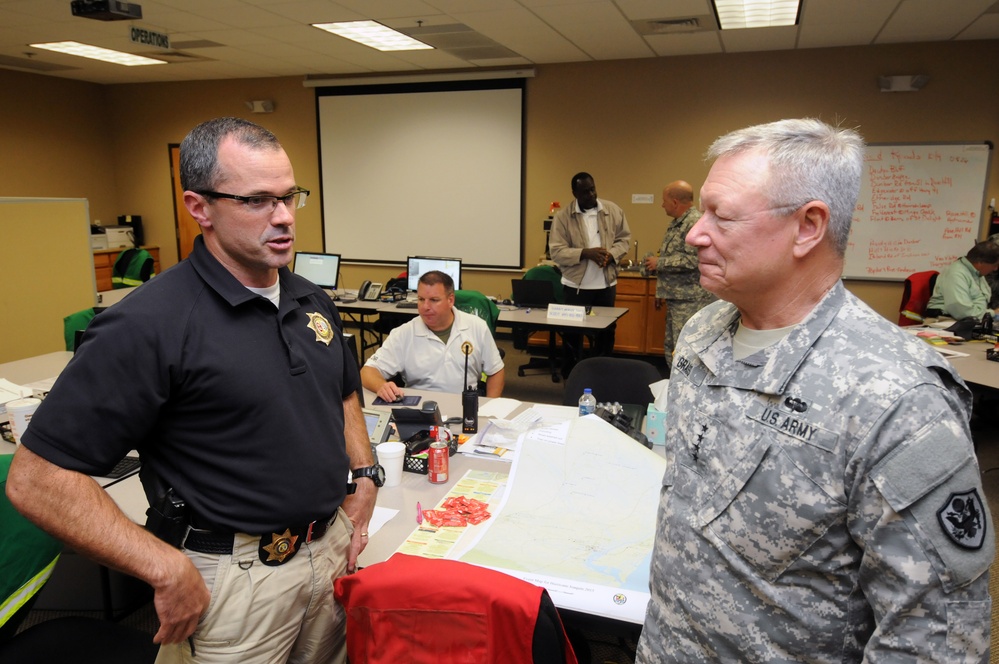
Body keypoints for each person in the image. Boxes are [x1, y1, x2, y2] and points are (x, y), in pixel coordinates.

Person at [6, 117, 379, 663]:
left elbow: (345, 391)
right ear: (199, 207)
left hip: (328, 552)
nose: (283, 218)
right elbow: (36, 479)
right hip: (235, 579)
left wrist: (365, 473)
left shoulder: (309, 298)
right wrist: (163, 565)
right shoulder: (148, 324)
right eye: (256, 202)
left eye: (289, 197)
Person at [636, 118, 993, 663]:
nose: (694, 234)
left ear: (807, 227)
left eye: (722, 216)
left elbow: (936, 637)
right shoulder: (702, 332)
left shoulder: (896, 397)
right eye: (700, 210)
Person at [361, 270, 505, 402]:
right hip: (420, 409)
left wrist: (489, 407)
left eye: (434, 300)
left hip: (465, 406)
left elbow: (496, 370)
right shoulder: (403, 333)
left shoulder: (477, 326)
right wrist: (381, 385)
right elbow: (367, 371)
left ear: (450, 300)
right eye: (421, 299)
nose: (425, 307)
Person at [548, 172, 631, 374]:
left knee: (606, 332)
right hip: (576, 287)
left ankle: (602, 373)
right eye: (585, 192)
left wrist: (611, 255)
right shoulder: (563, 217)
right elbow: (556, 251)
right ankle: (572, 374)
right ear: (574, 193)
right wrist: (585, 253)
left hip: (605, 285)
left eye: (593, 189)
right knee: (572, 334)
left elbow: (624, 239)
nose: (591, 194)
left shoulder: (613, 210)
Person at [641, 180, 716, 367]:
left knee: (686, 351)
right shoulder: (677, 224)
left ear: (675, 202)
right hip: (676, 298)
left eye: (664, 200)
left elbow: (694, 260)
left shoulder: (693, 223)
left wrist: (660, 263)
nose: (662, 204)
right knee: (672, 348)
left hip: (691, 301)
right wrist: (661, 292)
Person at [925, 239, 999, 319]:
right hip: (945, 321)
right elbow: (963, 312)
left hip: (969, 320)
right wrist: (993, 313)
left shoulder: (977, 273)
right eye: (994, 265)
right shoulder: (956, 274)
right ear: (980, 262)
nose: (995, 269)